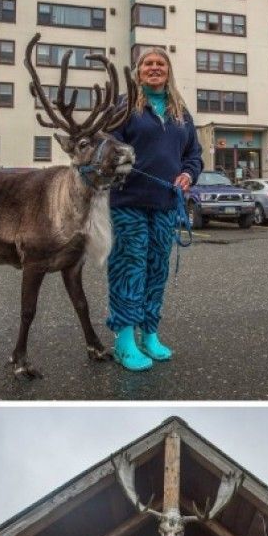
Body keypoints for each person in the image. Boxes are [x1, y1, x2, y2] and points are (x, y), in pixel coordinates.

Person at [107, 49, 203, 371]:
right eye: (148, 64)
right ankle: (124, 340)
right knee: (129, 267)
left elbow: (194, 154)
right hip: (128, 202)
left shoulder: (180, 111)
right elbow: (107, 146)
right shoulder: (124, 106)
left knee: (157, 269)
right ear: (139, 70)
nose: (154, 68)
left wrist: (188, 174)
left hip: (165, 204)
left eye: (160, 64)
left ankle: (149, 333)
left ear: (168, 71)